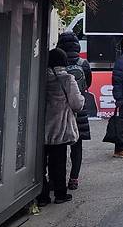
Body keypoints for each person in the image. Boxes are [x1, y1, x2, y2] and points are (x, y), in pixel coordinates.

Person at [37, 48, 84, 206]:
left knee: (40, 164)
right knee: (59, 163)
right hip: (60, 128)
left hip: (40, 129)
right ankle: (60, 194)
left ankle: (42, 196)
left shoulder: (40, 77)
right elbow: (77, 104)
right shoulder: (67, 79)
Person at [56, 32, 92, 190]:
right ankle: (74, 178)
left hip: (59, 110)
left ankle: (57, 179)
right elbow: (88, 84)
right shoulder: (83, 63)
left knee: (59, 146)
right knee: (77, 147)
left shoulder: (56, 62)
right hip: (79, 110)